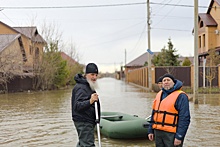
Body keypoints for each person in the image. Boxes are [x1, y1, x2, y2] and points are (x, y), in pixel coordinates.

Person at [148, 73, 190, 147]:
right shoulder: (159, 94)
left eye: (168, 80)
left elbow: (184, 118)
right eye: (164, 80)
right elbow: (154, 114)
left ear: (173, 82)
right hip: (158, 132)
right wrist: (150, 130)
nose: (166, 82)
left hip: (172, 133)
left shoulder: (181, 96)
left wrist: (179, 136)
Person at [71, 63, 101, 147]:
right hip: (83, 121)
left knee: (82, 144)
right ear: (86, 74)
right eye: (92, 74)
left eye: (96, 75)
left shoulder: (87, 85)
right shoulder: (81, 87)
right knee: (88, 144)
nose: (94, 77)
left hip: (86, 121)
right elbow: (77, 105)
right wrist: (90, 101)